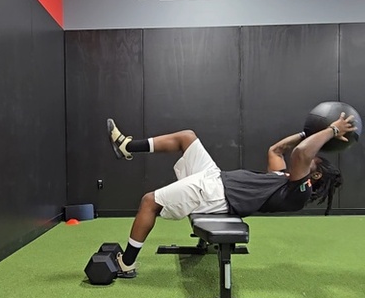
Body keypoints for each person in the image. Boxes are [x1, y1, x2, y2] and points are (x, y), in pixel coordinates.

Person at [107, 113, 355, 278]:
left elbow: (302, 153)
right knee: (187, 137)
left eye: (314, 160)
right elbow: (277, 150)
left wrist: (332, 130)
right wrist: (307, 132)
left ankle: (126, 264)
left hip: (216, 195)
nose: (310, 156)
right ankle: (127, 146)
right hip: (216, 178)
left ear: (316, 175)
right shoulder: (284, 179)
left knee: (149, 201)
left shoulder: (300, 190)